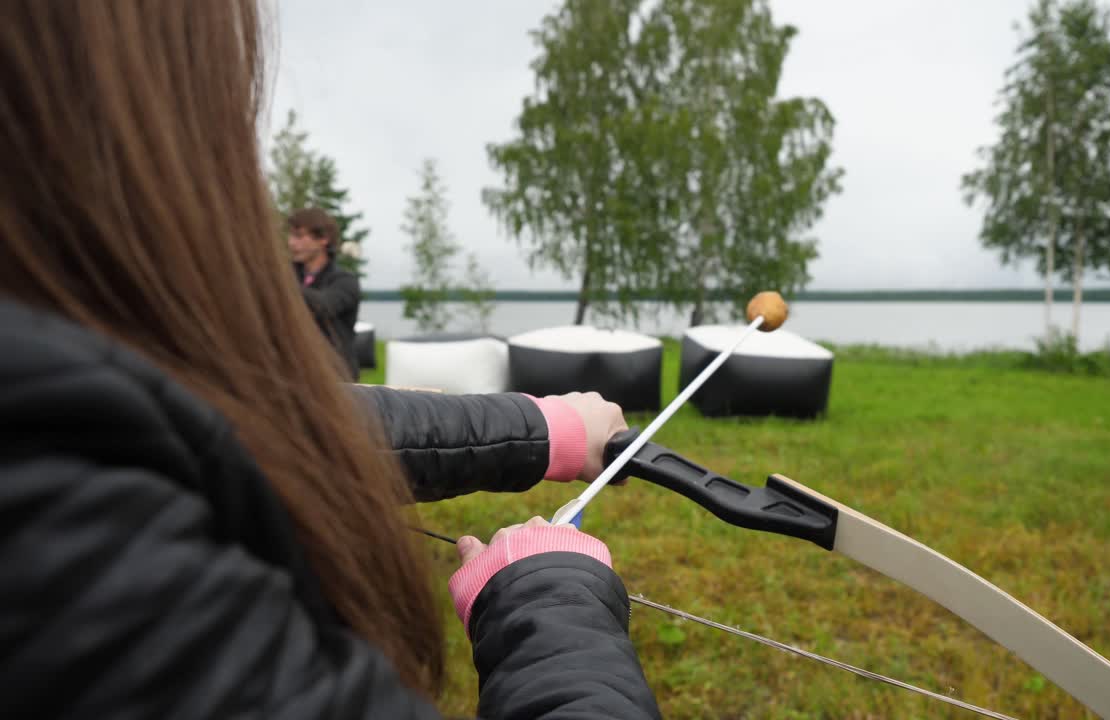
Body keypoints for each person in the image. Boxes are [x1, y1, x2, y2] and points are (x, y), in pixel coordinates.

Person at [0, 2, 660, 719]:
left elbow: (238, 414)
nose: (283, 237)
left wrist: (536, 428)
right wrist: (553, 604)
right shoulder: (59, 499)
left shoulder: (329, 288)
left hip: (320, 377)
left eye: (300, 236)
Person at [288, 207, 362, 380]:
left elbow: (324, 306)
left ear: (323, 239)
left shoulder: (346, 281)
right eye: (291, 236)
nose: (291, 242)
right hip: (292, 375)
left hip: (335, 379)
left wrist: (278, 283)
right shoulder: (288, 275)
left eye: (298, 236)